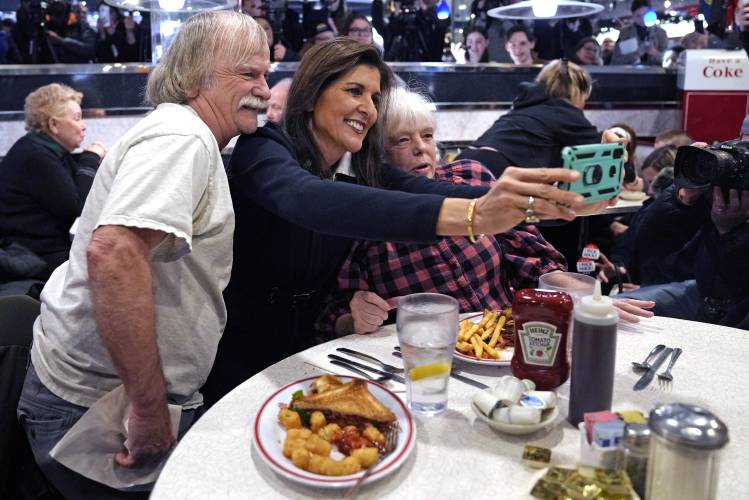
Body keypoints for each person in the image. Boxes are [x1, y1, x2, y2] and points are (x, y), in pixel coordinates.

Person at [203, 38, 600, 407]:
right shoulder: (263, 148)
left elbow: (426, 191)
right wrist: (474, 216)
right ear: (311, 95)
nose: (368, 108)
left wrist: (536, 201)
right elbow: (307, 199)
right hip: (244, 344)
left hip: (309, 347)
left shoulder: (362, 167)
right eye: (354, 91)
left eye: (374, 98)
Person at [16, 12, 269, 498]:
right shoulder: (183, 138)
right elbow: (113, 253)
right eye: (249, 73)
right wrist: (149, 409)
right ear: (198, 74)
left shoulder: (184, 134)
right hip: (101, 410)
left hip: (105, 400)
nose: (265, 86)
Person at [318, 87, 567, 335]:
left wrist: (566, 288)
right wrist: (355, 318)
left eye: (427, 136)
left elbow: (536, 260)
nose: (420, 148)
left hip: (504, 341)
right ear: (376, 154)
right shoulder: (365, 212)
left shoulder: (469, 175)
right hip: (424, 353)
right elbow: (332, 315)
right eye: (402, 140)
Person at [456, 60, 618, 265]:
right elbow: (600, 159)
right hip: (495, 175)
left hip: (464, 165)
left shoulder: (521, 109)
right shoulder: (566, 112)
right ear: (579, 92)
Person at [0, 84, 106, 279]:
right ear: (53, 125)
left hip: (41, 251)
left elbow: (79, 184)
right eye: (76, 118)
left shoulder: (49, 151)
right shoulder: (35, 157)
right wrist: (90, 159)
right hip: (32, 258)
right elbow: (77, 206)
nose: (83, 126)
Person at [12, 0, 96, 63]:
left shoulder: (80, 25)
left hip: (75, 73)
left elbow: (89, 50)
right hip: (48, 73)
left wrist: (61, 40)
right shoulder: (44, 25)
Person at [611, 0, 668, 66]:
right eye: (638, 15)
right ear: (633, 15)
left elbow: (669, 60)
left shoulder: (661, 33)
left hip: (656, 73)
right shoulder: (624, 33)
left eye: (645, 15)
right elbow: (616, 60)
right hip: (631, 73)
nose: (642, 19)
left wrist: (655, 53)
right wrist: (636, 54)